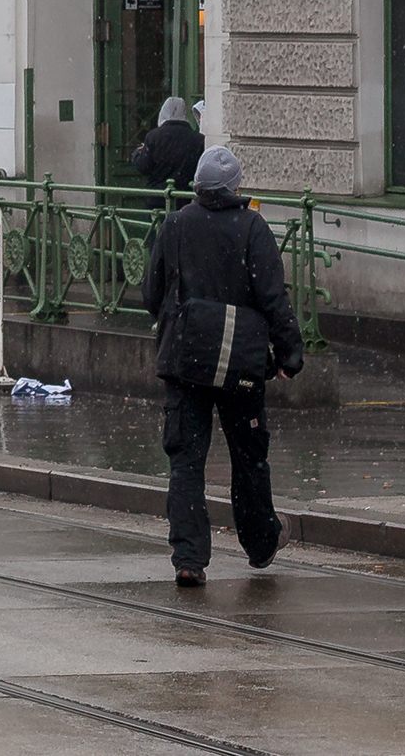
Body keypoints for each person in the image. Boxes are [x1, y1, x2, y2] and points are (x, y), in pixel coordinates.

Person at [143, 143, 303, 588]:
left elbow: (150, 293)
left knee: (186, 460)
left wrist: (177, 321)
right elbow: (273, 296)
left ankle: (190, 558)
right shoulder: (252, 227)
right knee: (249, 456)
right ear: (236, 187)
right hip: (242, 363)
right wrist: (289, 353)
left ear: (197, 185)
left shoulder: (174, 225)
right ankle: (260, 542)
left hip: (185, 360)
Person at [128, 95, 204, 194]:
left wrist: (137, 154)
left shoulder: (154, 137)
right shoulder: (198, 139)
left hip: (158, 195)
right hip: (185, 197)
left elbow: (144, 166)